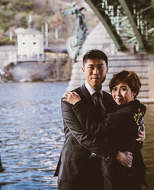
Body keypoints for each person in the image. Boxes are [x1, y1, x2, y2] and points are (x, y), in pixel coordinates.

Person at [55, 49, 133, 190]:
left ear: (107, 69)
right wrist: (117, 155)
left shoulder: (111, 100)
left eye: (100, 67)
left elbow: (118, 129)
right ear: (84, 70)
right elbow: (83, 137)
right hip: (74, 172)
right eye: (91, 67)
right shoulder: (69, 99)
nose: (96, 72)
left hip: (102, 173)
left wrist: (139, 134)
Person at [63, 71, 148, 189]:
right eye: (114, 89)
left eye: (123, 89)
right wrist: (139, 135)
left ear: (134, 92)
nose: (117, 94)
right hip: (126, 170)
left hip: (122, 174)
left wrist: (78, 105)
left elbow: (94, 129)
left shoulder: (126, 112)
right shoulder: (136, 108)